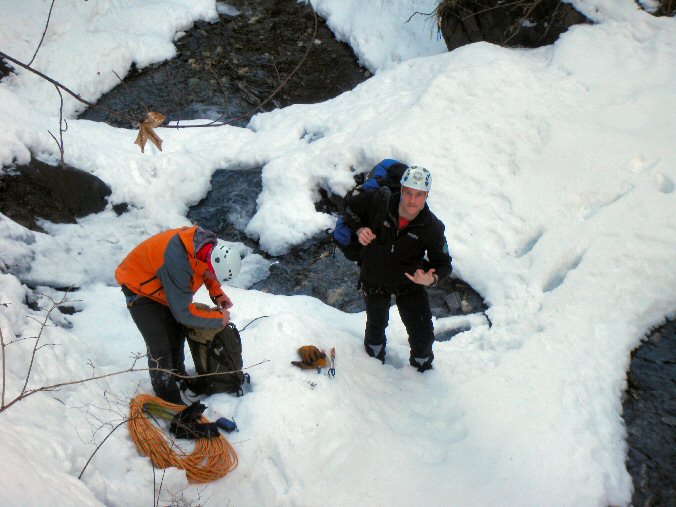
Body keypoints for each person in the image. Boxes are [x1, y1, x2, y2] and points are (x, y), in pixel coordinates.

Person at [342, 165, 451, 372]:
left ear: (427, 195)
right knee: (376, 325)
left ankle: (422, 373)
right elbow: (348, 209)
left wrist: (432, 278)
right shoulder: (378, 203)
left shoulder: (432, 227)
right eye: (408, 192)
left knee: (423, 333)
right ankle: (373, 367)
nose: (412, 200)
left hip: (409, 282)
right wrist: (359, 229)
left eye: (419, 195)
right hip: (374, 278)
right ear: (401, 189)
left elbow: (444, 264)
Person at [115, 225, 240, 404]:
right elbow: (184, 314)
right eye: (213, 275)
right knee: (160, 347)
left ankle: (177, 373)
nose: (212, 277)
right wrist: (219, 318)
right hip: (138, 287)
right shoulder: (177, 262)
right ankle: (169, 399)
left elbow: (206, 271)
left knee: (175, 333)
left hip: (163, 284)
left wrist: (217, 293)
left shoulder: (206, 247)